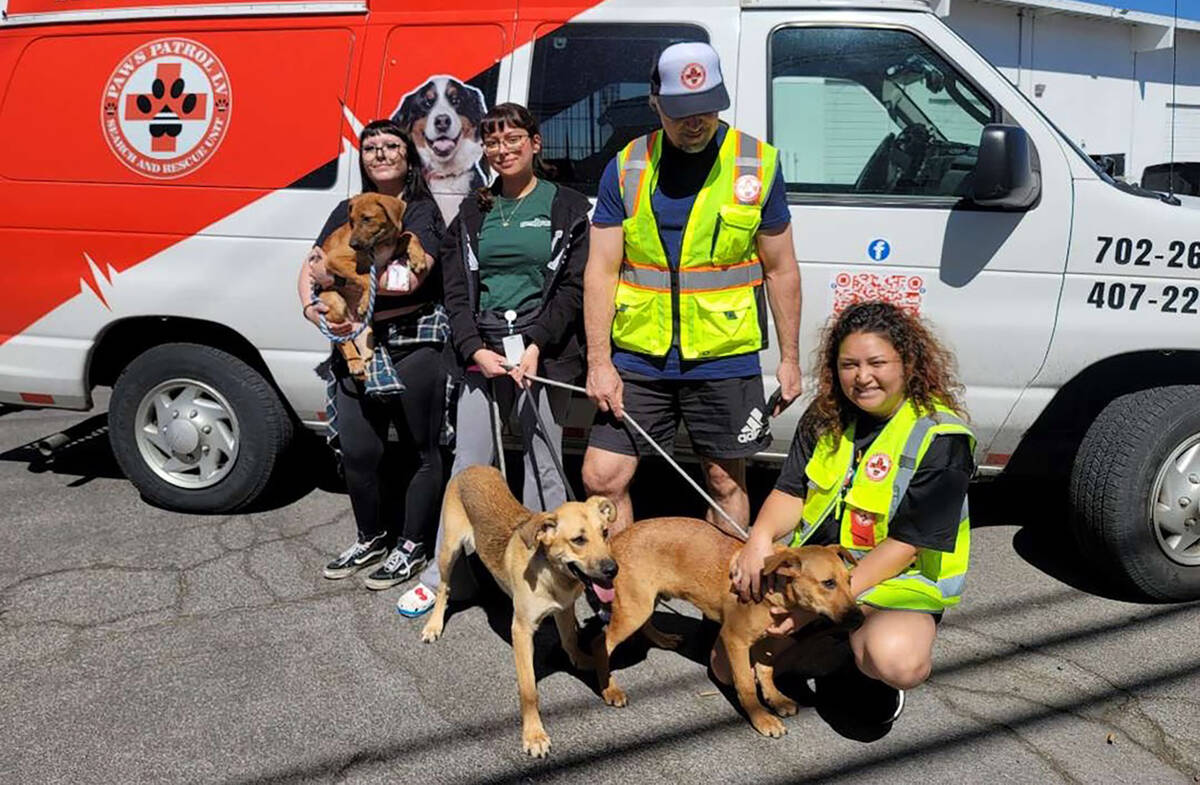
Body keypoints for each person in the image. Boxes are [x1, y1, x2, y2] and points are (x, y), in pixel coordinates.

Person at [582, 41, 802, 536]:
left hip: (724, 355)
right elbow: (600, 271)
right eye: (682, 111)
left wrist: (790, 359)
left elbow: (781, 268)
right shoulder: (626, 166)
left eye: (707, 108)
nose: (696, 121)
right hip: (640, 354)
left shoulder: (757, 164)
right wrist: (599, 363)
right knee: (601, 475)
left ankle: (720, 610)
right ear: (656, 101)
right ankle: (627, 605)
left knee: (724, 484)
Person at [729, 300, 975, 727]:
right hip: (819, 578)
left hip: (894, 585)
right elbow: (791, 492)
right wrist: (760, 539)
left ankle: (863, 662)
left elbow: (906, 545)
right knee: (725, 663)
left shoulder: (941, 436)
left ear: (908, 362)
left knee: (897, 659)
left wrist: (817, 606)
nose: (862, 377)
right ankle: (833, 646)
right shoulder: (826, 416)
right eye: (849, 365)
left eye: (877, 362)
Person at [396, 102, 592, 617]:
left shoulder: (567, 206)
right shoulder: (473, 210)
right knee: (469, 468)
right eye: (493, 142)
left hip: (538, 354)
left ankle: (551, 576)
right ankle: (443, 578)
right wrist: (474, 350)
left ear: (535, 143)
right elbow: (455, 293)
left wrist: (536, 345)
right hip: (481, 353)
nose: (503, 150)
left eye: (513, 140)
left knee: (543, 467)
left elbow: (572, 290)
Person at [297, 119, 448, 589]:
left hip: (411, 340)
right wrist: (311, 304)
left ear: (408, 154)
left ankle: (413, 544)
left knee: (422, 450)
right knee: (359, 450)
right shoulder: (347, 209)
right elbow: (313, 263)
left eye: (391, 146)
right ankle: (371, 537)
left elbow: (409, 281)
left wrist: (340, 276)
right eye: (370, 148)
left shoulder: (420, 212)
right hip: (355, 341)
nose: (380, 154)